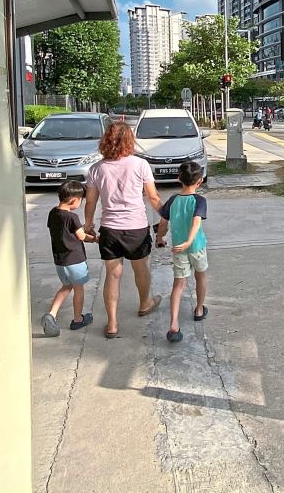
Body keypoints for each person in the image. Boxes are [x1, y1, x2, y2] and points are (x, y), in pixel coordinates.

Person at [84, 121, 163, 339]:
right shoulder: (140, 165)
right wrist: (165, 215)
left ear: (105, 140)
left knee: (113, 274)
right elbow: (153, 196)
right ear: (130, 140)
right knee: (141, 269)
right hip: (136, 228)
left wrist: (88, 224)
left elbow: (90, 202)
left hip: (110, 229)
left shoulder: (96, 169)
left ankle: (112, 324)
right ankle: (145, 303)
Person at [154, 160, 210, 343]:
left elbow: (163, 223)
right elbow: (196, 221)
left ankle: (173, 324)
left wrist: (160, 238)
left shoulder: (173, 200)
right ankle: (199, 309)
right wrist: (189, 241)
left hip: (178, 249)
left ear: (179, 178)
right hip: (196, 247)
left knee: (178, 285)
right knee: (200, 277)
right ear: (199, 181)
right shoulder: (199, 200)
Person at [42, 180, 97, 337]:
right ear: (74, 199)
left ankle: (51, 314)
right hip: (75, 260)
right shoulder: (72, 217)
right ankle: (78, 319)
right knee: (78, 288)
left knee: (66, 286)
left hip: (60, 260)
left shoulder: (53, 213)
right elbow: (81, 236)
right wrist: (95, 239)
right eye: (81, 200)